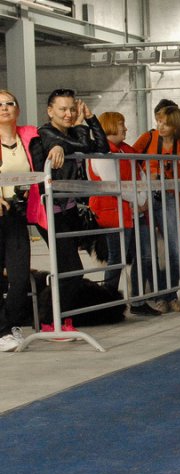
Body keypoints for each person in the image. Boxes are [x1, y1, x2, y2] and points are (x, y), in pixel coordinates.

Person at [36, 88, 109, 332]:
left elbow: (101, 147)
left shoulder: (70, 135)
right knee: (71, 270)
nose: (68, 114)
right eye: (62, 109)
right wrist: (78, 127)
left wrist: (91, 118)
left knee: (70, 269)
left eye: (72, 109)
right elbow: (83, 145)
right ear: (50, 111)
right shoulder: (45, 133)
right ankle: (49, 320)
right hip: (49, 212)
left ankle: (61, 317)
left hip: (68, 210)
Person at [132, 105, 180, 314]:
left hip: (171, 198)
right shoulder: (148, 137)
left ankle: (172, 295)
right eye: (159, 121)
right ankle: (158, 296)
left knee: (174, 248)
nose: (160, 126)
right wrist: (144, 175)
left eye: (165, 123)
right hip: (147, 198)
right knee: (149, 252)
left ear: (175, 126)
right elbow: (130, 156)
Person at [0, 89, 62, 351]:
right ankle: (3, 330)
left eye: (9, 103)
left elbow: (50, 139)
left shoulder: (29, 135)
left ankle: (10, 324)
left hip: (16, 215)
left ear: (18, 109)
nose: (4, 108)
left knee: (20, 276)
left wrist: (56, 145)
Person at [87, 112, 160, 317]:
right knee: (117, 259)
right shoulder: (102, 153)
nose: (125, 128)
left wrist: (142, 200)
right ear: (110, 126)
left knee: (143, 255)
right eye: (121, 124)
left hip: (134, 211)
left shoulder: (126, 150)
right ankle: (108, 303)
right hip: (115, 214)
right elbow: (113, 184)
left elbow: (140, 176)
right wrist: (140, 201)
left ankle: (137, 300)